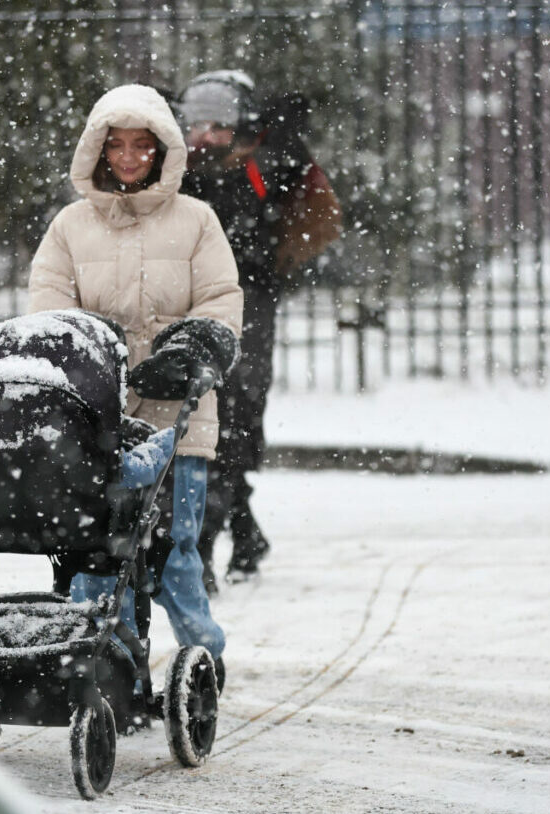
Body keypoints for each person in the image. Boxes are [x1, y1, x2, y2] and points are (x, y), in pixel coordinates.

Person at [27, 83, 243, 680]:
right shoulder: (71, 227)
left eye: (140, 146)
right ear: (97, 150)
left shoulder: (197, 220)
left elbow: (221, 300)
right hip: (99, 417)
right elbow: (48, 309)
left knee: (176, 553)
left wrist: (191, 350)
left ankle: (203, 656)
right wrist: (87, 354)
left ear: (161, 150)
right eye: (116, 145)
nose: (127, 157)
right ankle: (113, 667)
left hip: (179, 415)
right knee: (99, 555)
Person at [176, 70, 342, 591]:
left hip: (247, 310)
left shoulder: (266, 165)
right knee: (201, 420)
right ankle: (242, 533)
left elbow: (313, 222)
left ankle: (205, 546)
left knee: (231, 419)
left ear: (243, 124)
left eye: (217, 125)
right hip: (189, 307)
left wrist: (271, 265)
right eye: (195, 125)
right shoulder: (175, 170)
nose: (204, 136)